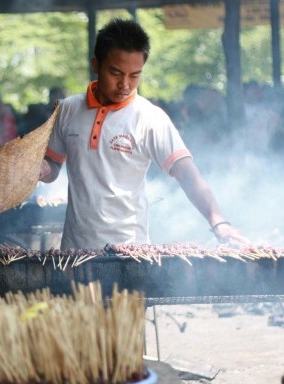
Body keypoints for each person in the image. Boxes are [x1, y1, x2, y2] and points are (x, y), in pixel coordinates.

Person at [38, 18, 247, 250]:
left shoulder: (150, 117)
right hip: (74, 252)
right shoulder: (68, 109)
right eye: (115, 73)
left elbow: (186, 172)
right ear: (96, 65)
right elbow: (54, 166)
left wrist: (219, 222)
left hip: (130, 253)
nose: (125, 85)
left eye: (134, 75)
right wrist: (41, 169)